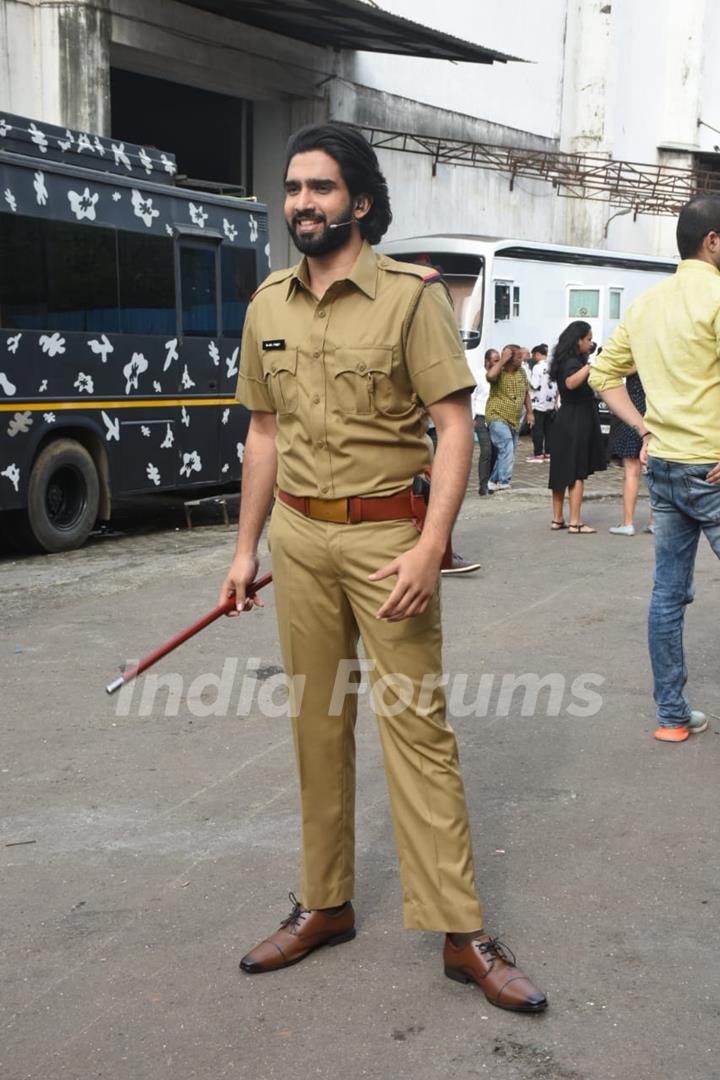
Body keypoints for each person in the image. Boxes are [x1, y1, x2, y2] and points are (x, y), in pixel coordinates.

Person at [219, 123, 546, 1010]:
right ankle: (324, 905)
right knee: (316, 729)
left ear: (358, 201)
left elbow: (452, 431)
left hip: (385, 543)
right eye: (292, 189)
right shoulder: (267, 307)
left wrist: (432, 545)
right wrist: (246, 550)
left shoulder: (409, 299)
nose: (301, 204)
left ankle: (459, 930)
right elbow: (263, 435)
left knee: (417, 732)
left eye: (319, 189)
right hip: (298, 538)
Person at [589, 194, 720, 743]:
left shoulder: (646, 305)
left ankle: (671, 715)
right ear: (714, 240)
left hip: (664, 466)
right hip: (711, 470)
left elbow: (603, 375)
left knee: (667, 595)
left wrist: (644, 429)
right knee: (668, 594)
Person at [547, 321, 606, 533]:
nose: (590, 343)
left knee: (560, 470)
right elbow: (571, 383)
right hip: (577, 420)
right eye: (588, 339)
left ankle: (557, 519)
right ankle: (575, 521)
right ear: (578, 340)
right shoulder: (573, 362)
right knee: (577, 471)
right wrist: (591, 365)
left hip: (565, 419)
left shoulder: (564, 360)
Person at [606, 369, 653, 536]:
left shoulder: (635, 357)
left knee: (631, 473)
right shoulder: (659, 355)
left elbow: (613, 371)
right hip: (656, 416)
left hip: (633, 417)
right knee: (655, 473)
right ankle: (654, 521)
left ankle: (628, 523)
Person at [485, 344, 534, 491]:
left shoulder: (522, 373)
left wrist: (530, 413)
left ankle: (493, 480)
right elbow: (490, 376)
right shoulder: (499, 371)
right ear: (510, 359)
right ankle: (504, 481)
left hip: (514, 419)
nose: (522, 360)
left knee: (508, 451)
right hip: (497, 415)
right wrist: (502, 360)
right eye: (519, 357)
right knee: (506, 446)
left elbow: (526, 393)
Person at [526, 343, 556, 462]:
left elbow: (534, 384)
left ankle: (538, 453)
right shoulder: (552, 366)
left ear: (537, 354)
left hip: (538, 402)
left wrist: (527, 379)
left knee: (537, 429)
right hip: (550, 402)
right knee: (549, 430)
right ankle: (548, 453)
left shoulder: (537, 367)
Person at [472, 348, 495, 495]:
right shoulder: (478, 375)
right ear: (487, 361)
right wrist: (472, 417)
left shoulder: (498, 375)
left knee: (495, 451)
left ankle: (490, 481)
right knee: (486, 450)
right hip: (480, 417)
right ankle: (482, 485)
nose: (498, 363)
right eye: (495, 360)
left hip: (495, 418)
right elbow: (472, 397)